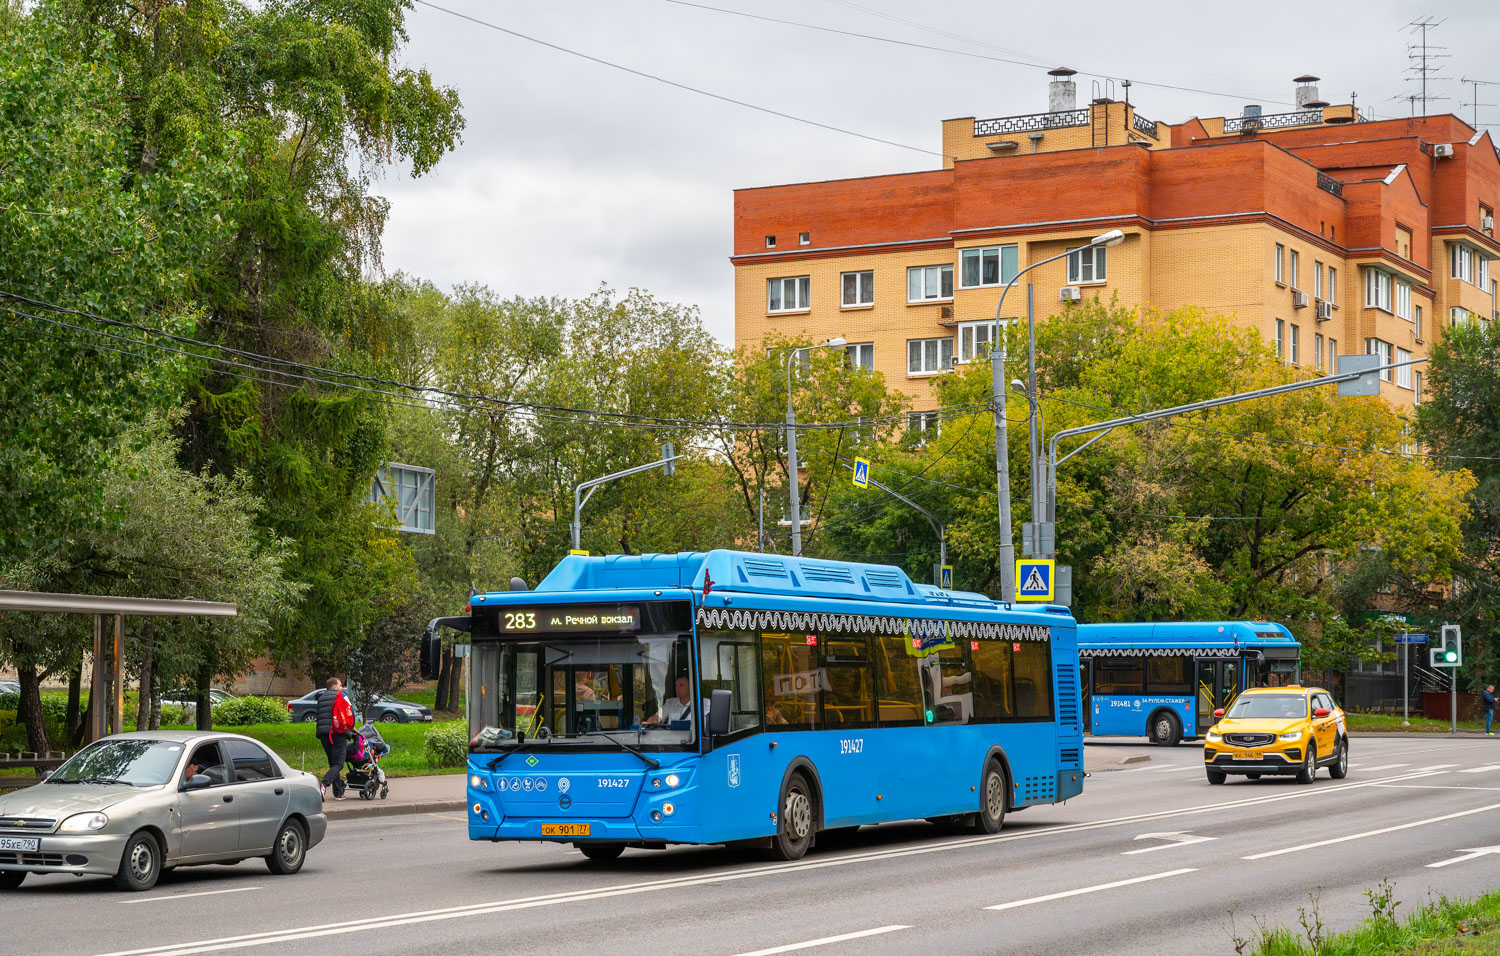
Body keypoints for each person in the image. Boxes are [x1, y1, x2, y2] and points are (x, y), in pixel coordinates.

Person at [314, 677, 354, 800]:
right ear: (334, 686)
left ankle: (338, 793)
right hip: (338, 734)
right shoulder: (341, 695)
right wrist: (351, 730)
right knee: (338, 764)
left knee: (333, 764)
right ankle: (324, 784)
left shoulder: (321, 698)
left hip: (324, 734)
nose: (342, 687)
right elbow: (348, 714)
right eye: (340, 685)